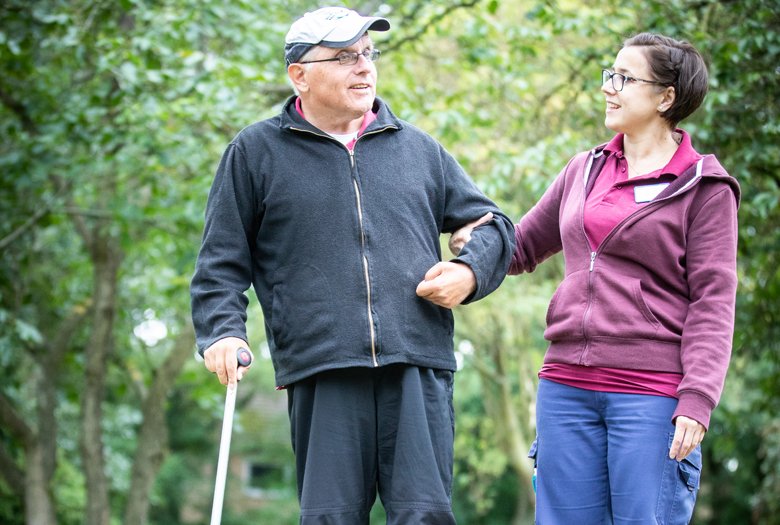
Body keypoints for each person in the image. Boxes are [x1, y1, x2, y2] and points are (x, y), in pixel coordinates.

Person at [190, 6, 515, 524]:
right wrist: (222, 332)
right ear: (299, 75)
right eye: (344, 57)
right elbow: (220, 262)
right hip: (322, 366)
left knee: (425, 517)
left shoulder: (419, 149)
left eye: (368, 54)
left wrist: (470, 271)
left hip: (418, 362)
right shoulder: (254, 152)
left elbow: (495, 225)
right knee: (330, 519)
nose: (364, 67)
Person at [451, 33, 738, 523]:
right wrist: (471, 244)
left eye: (624, 78)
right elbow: (520, 246)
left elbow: (713, 302)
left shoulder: (704, 188)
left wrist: (698, 398)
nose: (609, 87)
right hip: (565, 387)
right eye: (610, 74)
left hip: (651, 394)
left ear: (666, 97)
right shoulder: (583, 170)